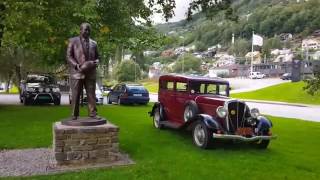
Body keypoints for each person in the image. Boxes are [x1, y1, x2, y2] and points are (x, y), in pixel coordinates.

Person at [66, 22, 100, 120]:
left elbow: (98, 57)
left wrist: (96, 62)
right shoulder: (72, 41)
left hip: (90, 73)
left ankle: (93, 113)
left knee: (91, 94)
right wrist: (77, 66)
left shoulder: (94, 43)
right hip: (77, 73)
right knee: (75, 94)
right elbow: (68, 56)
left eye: (89, 30)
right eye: (85, 29)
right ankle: (74, 114)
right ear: (80, 30)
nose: (87, 31)